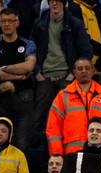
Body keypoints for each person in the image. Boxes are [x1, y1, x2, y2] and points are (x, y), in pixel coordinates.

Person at [30, 0, 92, 131]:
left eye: (58, 1)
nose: (55, 4)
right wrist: (36, 72)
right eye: (52, 1)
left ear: (63, 3)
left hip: (67, 76)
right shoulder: (39, 23)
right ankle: (37, 149)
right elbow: (31, 50)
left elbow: (86, 51)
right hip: (44, 76)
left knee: (69, 117)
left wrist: (73, 74)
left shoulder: (75, 24)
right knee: (37, 119)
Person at [46, 57, 101, 156]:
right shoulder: (63, 96)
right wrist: (57, 154)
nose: (84, 71)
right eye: (80, 68)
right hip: (72, 154)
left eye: (87, 68)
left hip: (100, 154)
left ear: (93, 71)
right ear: (74, 72)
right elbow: (53, 129)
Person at [0, 8, 37, 151]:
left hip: (24, 96)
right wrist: (17, 75)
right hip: (0, 97)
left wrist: (4, 68)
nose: (7, 24)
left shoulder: (28, 44)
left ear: (17, 22)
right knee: (0, 142)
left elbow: (28, 67)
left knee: (22, 143)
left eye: (10, 21)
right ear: (0, 24)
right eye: (3, 21)